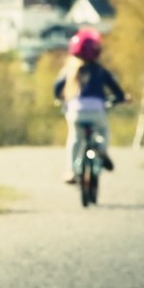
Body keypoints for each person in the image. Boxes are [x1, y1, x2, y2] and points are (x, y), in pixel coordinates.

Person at [53, 28, 127, 184]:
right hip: (97, 110)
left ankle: (71, 172)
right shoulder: (100, 71)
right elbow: (116, 90)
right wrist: (121, 98)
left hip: (76, 112)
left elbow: (57, 88)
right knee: (103, 129)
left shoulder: (70, 70)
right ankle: (102, 149)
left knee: (75, 138)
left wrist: (60, 98)